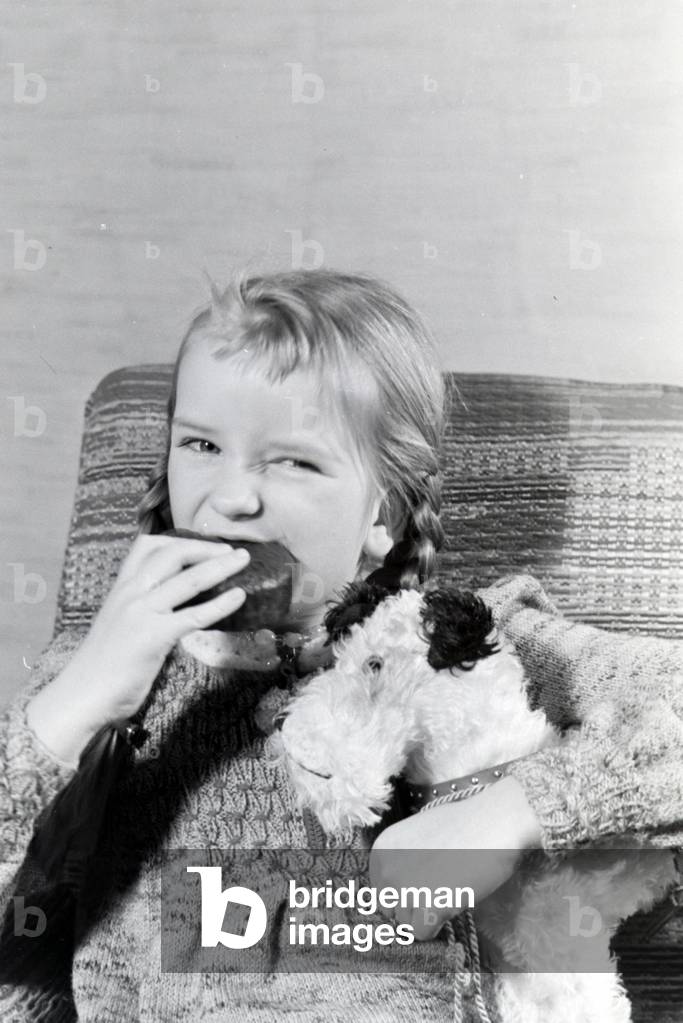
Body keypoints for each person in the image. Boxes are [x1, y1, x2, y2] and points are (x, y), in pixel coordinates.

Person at [0, 268, 681, 1023]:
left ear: (382, 513)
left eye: (292, 460)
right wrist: (72, 706)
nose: (230, 496)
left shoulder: (461, 642)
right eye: (199, 443)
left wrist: (510, 813)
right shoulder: (101, 674)